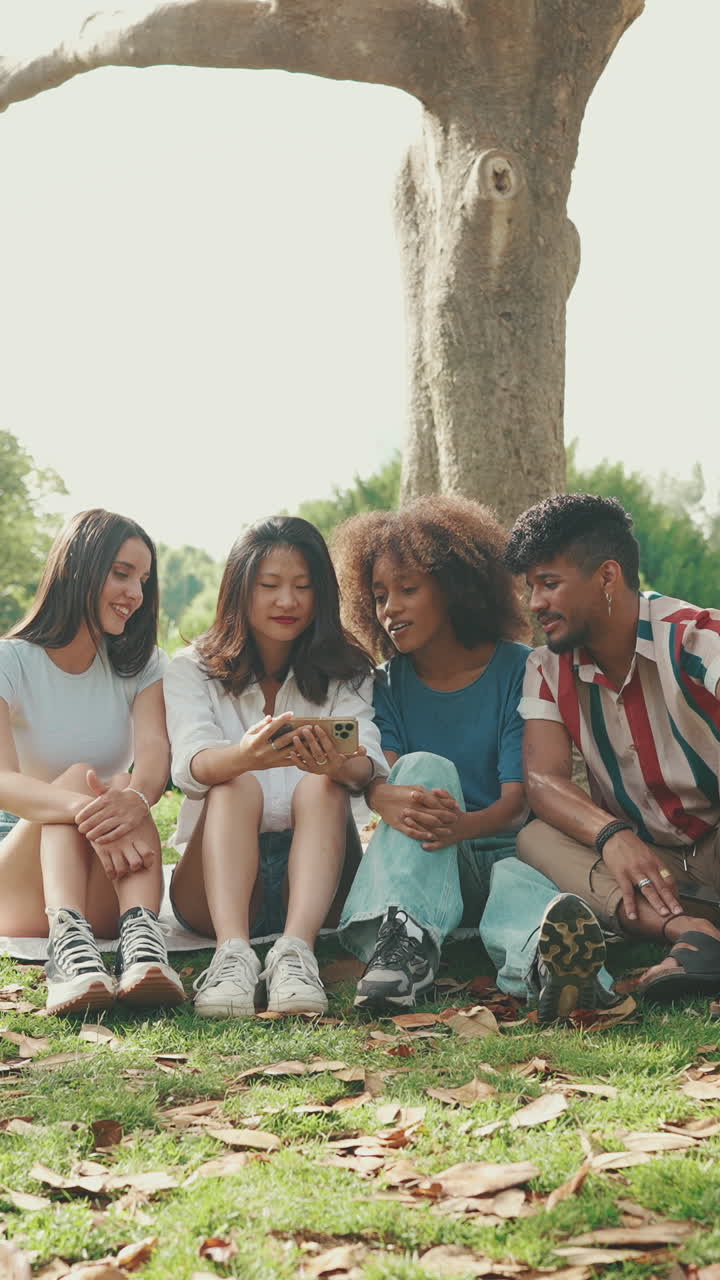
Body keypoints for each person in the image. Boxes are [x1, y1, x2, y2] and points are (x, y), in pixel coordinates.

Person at [479, 492, 720, 1017]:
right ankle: (693, 934)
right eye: (531, 587)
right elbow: (543, 781)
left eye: (549, 583)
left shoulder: (696, 640)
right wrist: (611, 836)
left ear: (608, 576)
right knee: (534, 839)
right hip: (652, 868)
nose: (534, 603)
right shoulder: (546, 668)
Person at [164, 515, 387, 1019]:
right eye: (270, 586)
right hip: (213, 879)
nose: (287, 601)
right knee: (233, 782)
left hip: (320, 876)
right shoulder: (193, 668)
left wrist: (338, 765)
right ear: (240, 589)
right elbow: (190, 765)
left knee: (324, 786)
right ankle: (231, 956)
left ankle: (296, 952)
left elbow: (368, 765)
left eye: (303, 587)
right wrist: (244, 758)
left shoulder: (348, 671)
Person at [331, 496, 530, 1010]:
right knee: (424, 768)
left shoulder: (519, 669)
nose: (389, 609)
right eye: (379, 597)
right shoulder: (387, 684)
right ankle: (402, 952)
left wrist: (460, 826)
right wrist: (379, 795)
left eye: (408, 590)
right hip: (430, 864)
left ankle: (541, 960)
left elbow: (517, 804)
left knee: (518, 883)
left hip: (508, 854)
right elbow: (388, 775)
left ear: (455, 587)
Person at [0, 509, 184, 1016]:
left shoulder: (144, 665)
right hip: (18, 884)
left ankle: (143, 942)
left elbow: (155, 759)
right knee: (84, 781)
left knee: (125, 785)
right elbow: (2, 781)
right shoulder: (9, 661)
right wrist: (88, 807)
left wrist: (131, 799)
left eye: (143, 579)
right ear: (78, 566)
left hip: (104, 880)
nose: (135, 593)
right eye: (122, 573)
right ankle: (66, 944)